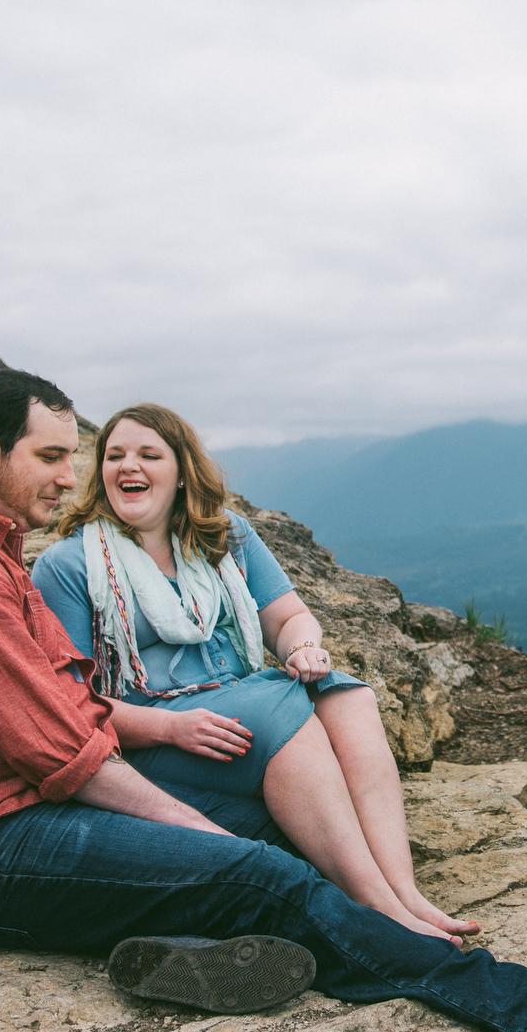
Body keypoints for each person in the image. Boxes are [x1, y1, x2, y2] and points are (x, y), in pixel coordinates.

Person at [0, 368, 527, 1032]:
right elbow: (68, 752)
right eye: (52, 455)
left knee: (270, 833)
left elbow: (65, 709)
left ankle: (197, 950)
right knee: (260, 869)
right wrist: (207, 841)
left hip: (14, 813)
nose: (66, 475)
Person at [29, 402, 471, 947]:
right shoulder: (70, 565)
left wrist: (303, 647)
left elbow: (287, 616)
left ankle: (405, 891)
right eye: (115, 455)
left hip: (237, 698)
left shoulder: (224, 535)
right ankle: (375, 907)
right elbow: (68, 700)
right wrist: (168, 729)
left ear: (182, 470)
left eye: (149, 454)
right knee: (279, 711)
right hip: (152, 728)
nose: (128, 466)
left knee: (347, 698)